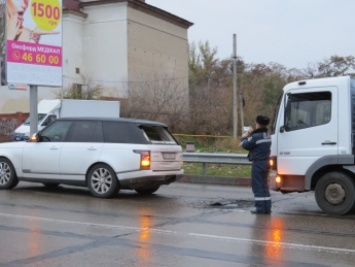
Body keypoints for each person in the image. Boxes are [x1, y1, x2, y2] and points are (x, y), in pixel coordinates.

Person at [241, 115, 272, 214]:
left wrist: (244, 137)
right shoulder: (268, 135)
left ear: (258, 124)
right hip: (267, 162)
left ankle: (260, 208)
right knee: (264, 186)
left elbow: (245, 145)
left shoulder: (256, 136)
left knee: (258, 186)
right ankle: (267, 207)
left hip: (258, 163)